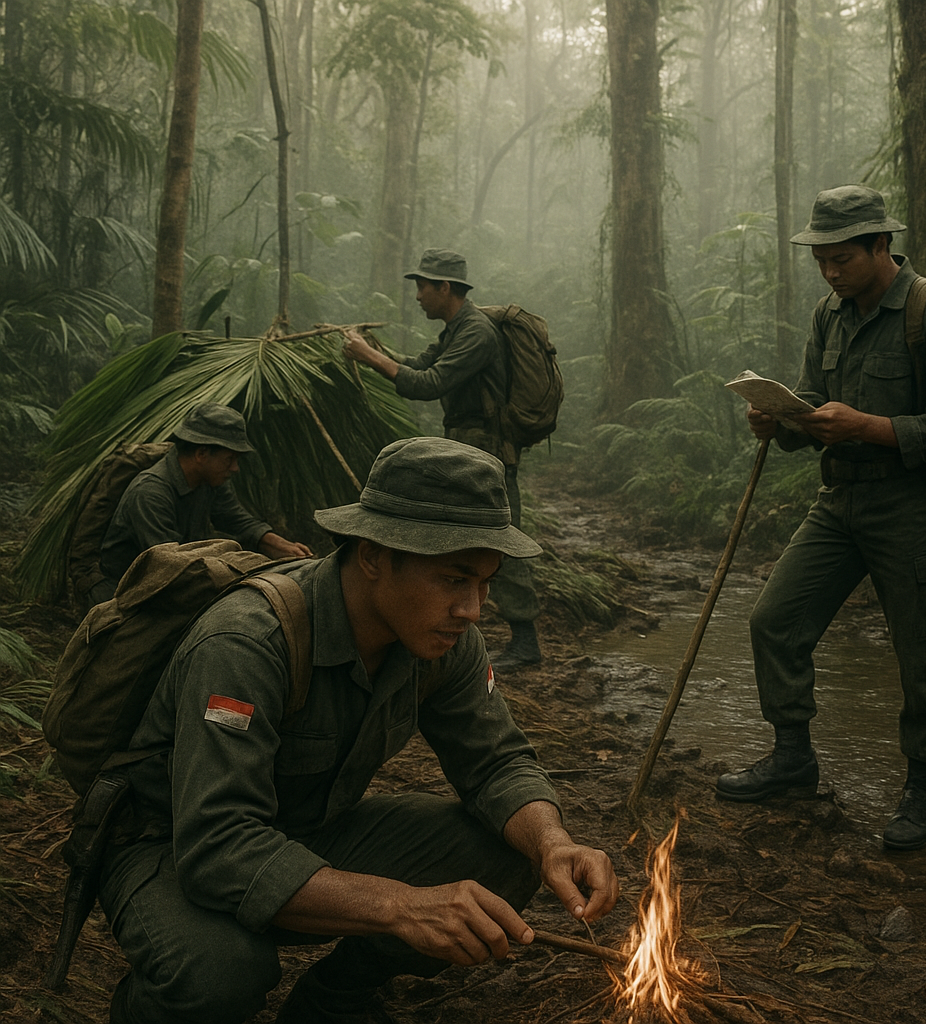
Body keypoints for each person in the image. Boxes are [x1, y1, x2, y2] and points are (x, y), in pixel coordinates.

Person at [96, 436, 619, 1024]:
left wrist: (554, 843)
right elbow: (217, 845)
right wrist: (400, 907)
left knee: (509, 850)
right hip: (169, 847)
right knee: (221, 974)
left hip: (303, 830)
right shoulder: (247, 642)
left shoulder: (443, 641)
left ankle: (332, 1002)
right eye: (453, 579)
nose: (473, 609)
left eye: (485, 583)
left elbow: (496, 761)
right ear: (372, 555)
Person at [715, 185, 926, 851]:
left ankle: (921, 792)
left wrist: (868, 425)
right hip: (839, 504)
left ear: (880, 246)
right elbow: (814, 405)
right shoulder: (828, 316)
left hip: (913, 508)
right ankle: (793, 758)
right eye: (822, 262)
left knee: (921, 652)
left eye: (843, 260)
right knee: (774, 620)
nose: (831, 273)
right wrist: (781, 419)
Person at [342, 248, 543, 672]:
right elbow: (418, 365)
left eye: (422, 287)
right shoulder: (456, 329)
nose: (417, 297)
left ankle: (526, 642)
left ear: (444, 288)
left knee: (498, 541)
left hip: (489, 453)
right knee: (463, 544)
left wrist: (368, 357)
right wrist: (376, 350)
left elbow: (426, 383)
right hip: (470, 447)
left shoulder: (476, 332)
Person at [92, 402, 312, 604]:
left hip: (178, 575)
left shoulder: (209, 481)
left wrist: (281, 546)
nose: (235, 468)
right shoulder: (150, 493)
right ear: (201, 453)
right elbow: (171, 566)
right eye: (229, 459)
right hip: (127, 589)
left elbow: (236, 519)